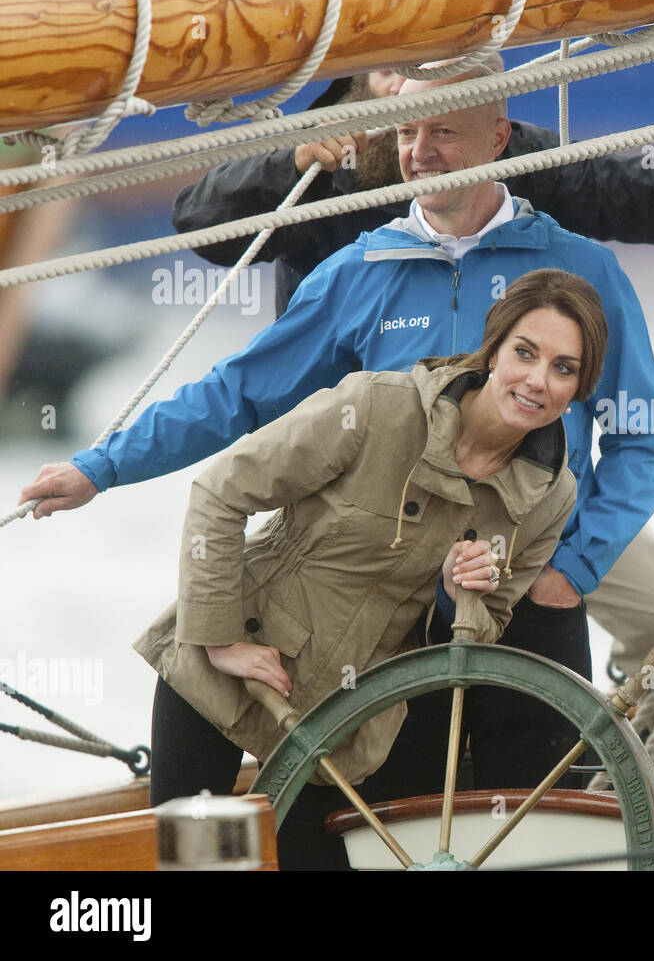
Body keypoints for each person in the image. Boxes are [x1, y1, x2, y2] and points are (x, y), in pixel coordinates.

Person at [21, 63, 654, 788]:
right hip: (388, 623)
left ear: (497, 139)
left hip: (524, 596)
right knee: (390, 829)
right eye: (407, 132)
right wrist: (102, 467)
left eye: (445, 133)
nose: (420, 152)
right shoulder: (358, 272)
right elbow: (238, 394)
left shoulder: (580, 272)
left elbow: (640, 435)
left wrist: (569, 572)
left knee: (536, 826)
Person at [140, 268, 601, 868]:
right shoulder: (376, 406)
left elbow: (483, 628)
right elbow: (219, 492)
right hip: (226, 668)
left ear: (580, 387)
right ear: (493, 350)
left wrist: (452, 594)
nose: (538, 380)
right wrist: (219, 636)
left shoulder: (553, 495)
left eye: (564, 368)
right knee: (190, 865)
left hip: (349, 718)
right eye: (525, 352)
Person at [171, 68, 654, 319]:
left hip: (500, 459)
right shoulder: (315, 171)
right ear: (352, 84)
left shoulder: (512, 158)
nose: (410, 101)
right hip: (339, 462)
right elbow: (199, 223)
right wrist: (288, 169)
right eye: (392, 72)